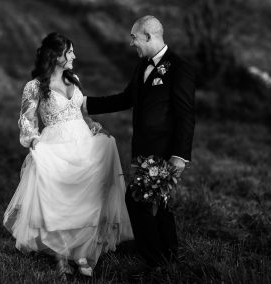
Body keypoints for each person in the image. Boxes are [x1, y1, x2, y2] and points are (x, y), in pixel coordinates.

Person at [3, 32, 133, 277]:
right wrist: (32, 139)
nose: (74, 55)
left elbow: (81, 113)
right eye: (70, 51)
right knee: (59, 199)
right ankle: (61, 257)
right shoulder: (34, 86)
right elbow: (26, 119)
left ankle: (83, 250)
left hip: (83, 143)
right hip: (56, 145)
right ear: (56, 55)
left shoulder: (74, 78)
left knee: (88, 196)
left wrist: (92, 124)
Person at [84, 15, 196, 268]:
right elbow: (126, 99)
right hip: (142, 150)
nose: (131, 42)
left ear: (149, 36)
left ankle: (153, 261)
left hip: (163, 152)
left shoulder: (179, 68)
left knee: (136, 202)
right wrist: (86, 103)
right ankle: (169, 255)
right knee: (159, 204)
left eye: (134, 37)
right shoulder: (141, 66)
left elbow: (186, 115)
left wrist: (179, 155)